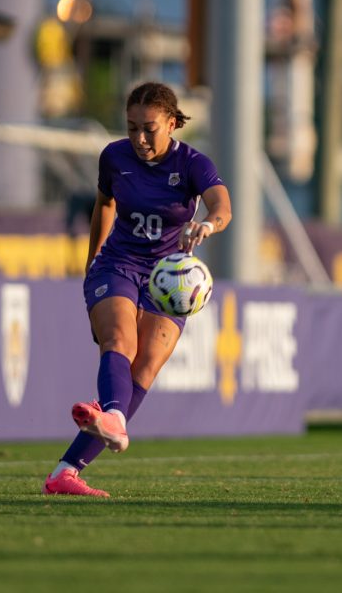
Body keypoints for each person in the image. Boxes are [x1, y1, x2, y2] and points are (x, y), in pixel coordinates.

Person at [43, 81, 232, 497]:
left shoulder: (193, 164)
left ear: (171, 123)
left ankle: (64, 473)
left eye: (149, 128)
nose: (140, 139)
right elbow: (104, 205)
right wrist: (90, 261)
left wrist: (207, 224)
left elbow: (222, 204)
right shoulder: (114, 157)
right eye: (131, 128)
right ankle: (112, 416)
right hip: (118, 265)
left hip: (168, 279)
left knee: (142, 370)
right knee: (119, 340)